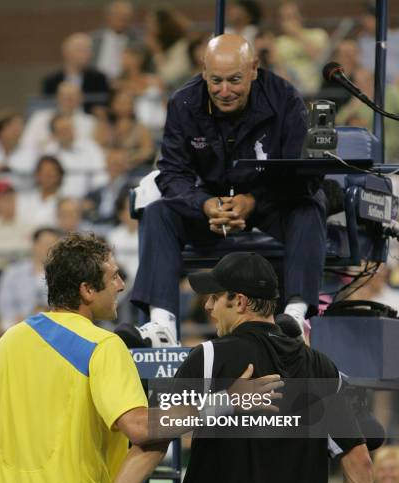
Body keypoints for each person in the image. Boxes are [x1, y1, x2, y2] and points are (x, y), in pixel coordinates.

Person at [165, 251, 374, 483]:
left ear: (240, 302)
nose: (209, 307)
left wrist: (224, 402)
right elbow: (360, 463)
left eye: (216, 297)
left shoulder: (211, 356)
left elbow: (159, 425)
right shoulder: (322, 369)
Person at [130, 34, 327, 345]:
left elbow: (302, 175)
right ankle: (162, 325)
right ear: (204, 71)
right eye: (216, 80)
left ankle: (296, 316)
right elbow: (172, 173)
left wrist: (253, 200)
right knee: (158, 213)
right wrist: (205, 204)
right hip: (211, 208)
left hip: (269, 200)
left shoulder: (284, 98)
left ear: (253, 69)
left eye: (235, 80)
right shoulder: (183, 102)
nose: (225, 90)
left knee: (310, 205)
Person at [0, 233, 170, 483]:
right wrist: (220, 403)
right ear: (87, 290)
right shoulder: (103, 345)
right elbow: (141, 429)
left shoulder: (1, 348)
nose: (121, 285)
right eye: (114, 276)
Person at [0, 227, 61, 330]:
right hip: (17, 326)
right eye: (45, 244)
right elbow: (3, 305)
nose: (49, 248)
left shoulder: (63, 275)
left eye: (53, 245)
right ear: (34, 244)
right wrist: (19, 320)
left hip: (53, 326)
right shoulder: (13, 272)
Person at [41, 33, 109, 115]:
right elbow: (45, 106)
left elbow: (103, 107)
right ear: (66, 52)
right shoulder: (51, 80)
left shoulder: (99, 79)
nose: (86, 54)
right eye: (81, 50)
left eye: (88, 50)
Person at [91, 0, 136, 81]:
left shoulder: (137, 41)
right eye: (118, 15)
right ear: (108, 16)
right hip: (97, 85)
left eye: (126, 16)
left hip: (125, 85)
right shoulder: (93, 39)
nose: (122, 20)